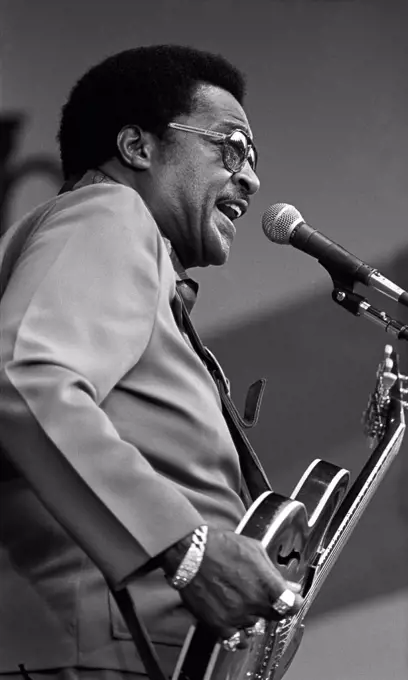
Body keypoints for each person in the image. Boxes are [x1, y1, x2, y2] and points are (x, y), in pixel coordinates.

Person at [0, 45, 303, 680]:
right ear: (138, 148)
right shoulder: (108, 213)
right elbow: (24, 377)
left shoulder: (140, 264)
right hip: (88, 649)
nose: (250, 177)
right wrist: (190, 550)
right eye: (231, 146)